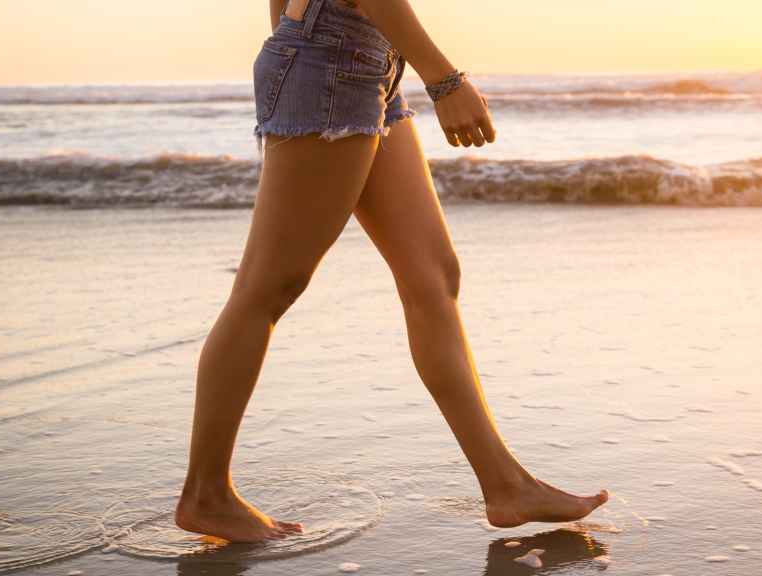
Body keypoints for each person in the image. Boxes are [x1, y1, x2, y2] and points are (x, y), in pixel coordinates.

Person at [175, 0, 609, 542]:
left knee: (433, 275)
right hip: (332, 56)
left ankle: (505, 485)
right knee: (268, 287)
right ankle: (205, 495)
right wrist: (445, 81)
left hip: (358, 57)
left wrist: (292, 38)